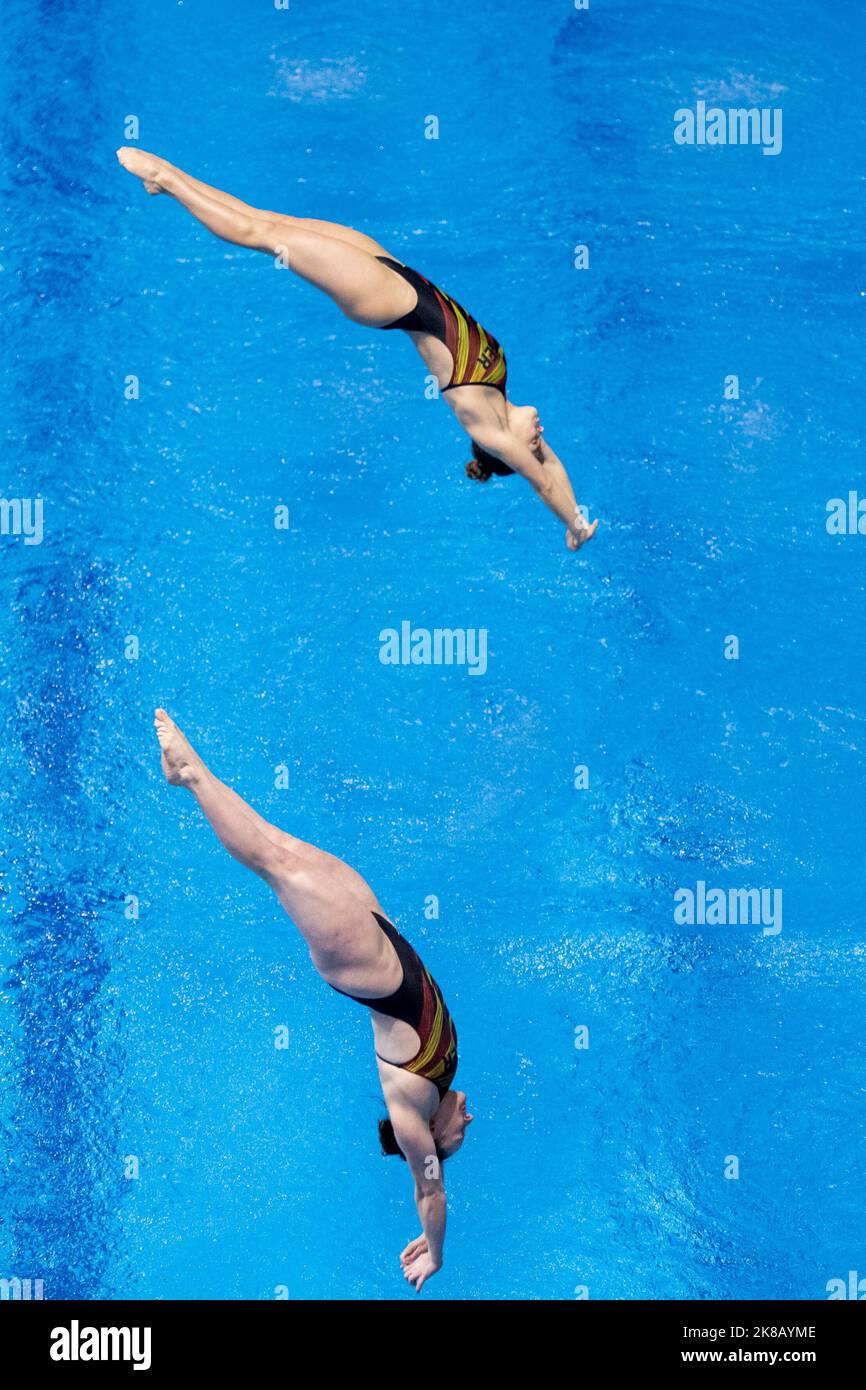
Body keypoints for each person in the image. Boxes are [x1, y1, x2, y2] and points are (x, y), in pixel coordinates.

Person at [118, 148, 599, 551]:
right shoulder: (501, 394)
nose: (543, 432)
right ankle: (169, 183)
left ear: (520, 449)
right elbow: (554, 467)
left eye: (537, 440)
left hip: (385, 299)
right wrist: (576, 512)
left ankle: (167, 179)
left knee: (262, 235)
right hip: (398, 274)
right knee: (273, 220)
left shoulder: (492, 429)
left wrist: (573, 526)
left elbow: (543, 480)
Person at [154, 708, 470, 1292]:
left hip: (362, 962)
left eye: (460, 1136)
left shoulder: (411, 1117)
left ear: (435, 1142)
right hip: (382, 933)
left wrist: (437, 1251)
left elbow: (430, 1189)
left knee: (273, 864)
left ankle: (190, 774)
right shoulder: (444, 1081)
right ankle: (190, 775)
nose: (468, 1120)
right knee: (277, 841)